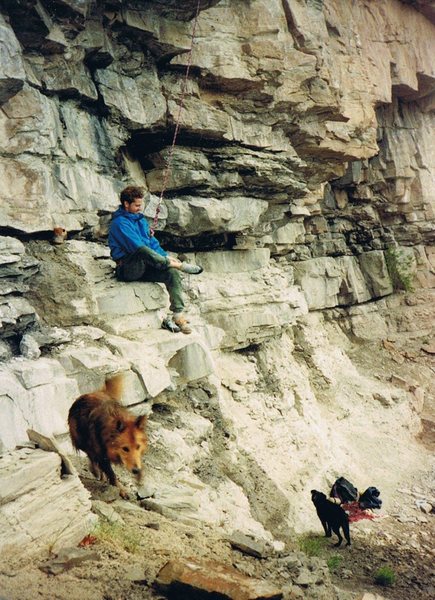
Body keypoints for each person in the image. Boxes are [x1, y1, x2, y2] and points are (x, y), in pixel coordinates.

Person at [108, 185, 203, 334]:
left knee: (172, 273)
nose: (140, 208)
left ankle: (178, 315)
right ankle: (178, 265)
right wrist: (166, 261)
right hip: (128, 268)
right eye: (137, 205)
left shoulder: (140, 221)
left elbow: (152, 243)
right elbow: (138, 247)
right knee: (141, 250)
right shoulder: (119, 223)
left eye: (141, 205)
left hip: (145, 267)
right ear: (126, 204)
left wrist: (164, 256)